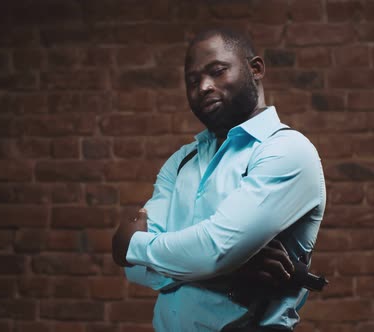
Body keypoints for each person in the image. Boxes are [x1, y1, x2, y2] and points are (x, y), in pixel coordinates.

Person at [112, 28, 326, 332]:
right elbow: (135, 272)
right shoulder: (182, 161)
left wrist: (130, 246)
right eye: (192, 80)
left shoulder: (285, 151)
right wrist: (229, 271)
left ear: (256, 69)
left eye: (217, 71)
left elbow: (214, 248)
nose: (204, 87)